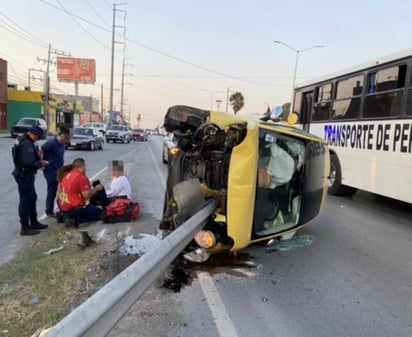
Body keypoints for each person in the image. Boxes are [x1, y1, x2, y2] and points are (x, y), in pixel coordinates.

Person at [12, 125, 49, 236]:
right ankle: (25, 226)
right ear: (32, 133)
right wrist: (41, 163)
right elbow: (28, 163)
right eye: (37, 136)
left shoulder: (28, 141)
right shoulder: (26, 144)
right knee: (26, 200)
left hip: (27, 174)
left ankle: (33, 221)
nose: (38, 139)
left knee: (32, 198)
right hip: (24, 175)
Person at [56, 157, 104, 227]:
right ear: (81, 167)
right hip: (74, 209)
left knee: (88, 208)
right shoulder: (81, 177)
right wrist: (96, 189)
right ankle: (73, 219)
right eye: (85, 166)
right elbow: (86, 195)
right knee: (101, 213)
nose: (86, 168)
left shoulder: (66, 175)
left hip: (63, 206)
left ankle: (63, 215)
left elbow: (59, 193)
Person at [41, 127, 69, 217]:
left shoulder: (62, 144)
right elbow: (40, 150)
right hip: (50, 170)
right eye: (65, 137)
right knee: (52, 190)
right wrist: (40, 164)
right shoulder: (51, 143)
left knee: (61, 190)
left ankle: (62, 208)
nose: (66, 139)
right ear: (60, 135)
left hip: (59, 170)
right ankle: (49, 211)